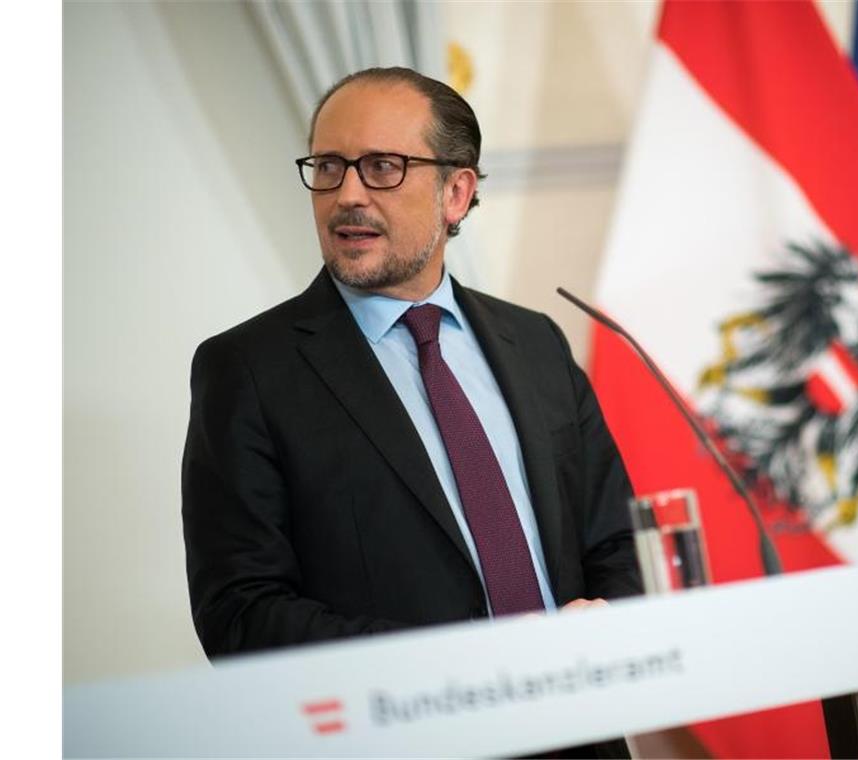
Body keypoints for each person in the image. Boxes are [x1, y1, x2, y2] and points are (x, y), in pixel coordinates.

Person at [180, 67, 641, 757]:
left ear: (457, 192)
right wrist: (462, 666)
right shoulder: (248, 370)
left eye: (383, 168)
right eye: (329, 167)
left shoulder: (535, 342)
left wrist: (608, 621)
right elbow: (241, 614)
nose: (348, 195)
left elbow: (617, 541)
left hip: (577, 737)